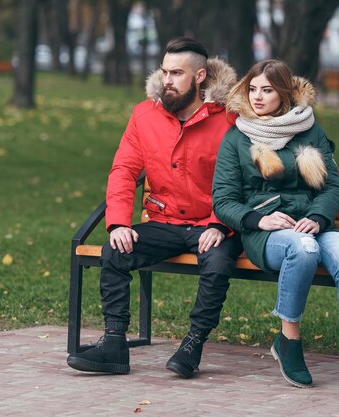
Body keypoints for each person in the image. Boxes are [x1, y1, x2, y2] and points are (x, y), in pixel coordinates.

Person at [212, 59, 339, 401]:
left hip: (312, 224)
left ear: (283, 93)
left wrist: (318, 217)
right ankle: (289, 340)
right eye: (252, 89)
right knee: (304, 248)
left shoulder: (310, 130)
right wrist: (258, 220)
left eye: (267, 90)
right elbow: (223, 200)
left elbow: (332, 188)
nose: (257, 97)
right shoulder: (236, 137)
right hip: (267, 234)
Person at [67, 37, 242, 379]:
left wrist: (220, 224)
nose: (167, 80)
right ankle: (114, 344)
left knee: (218, 264)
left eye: (177, 73)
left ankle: (193, 343)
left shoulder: (230, 119)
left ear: (201, 76)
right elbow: (123, 171)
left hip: (215, 224)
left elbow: (245, 182)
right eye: (164, 71)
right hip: (164, 221)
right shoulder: (144, 115)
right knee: (115, 252)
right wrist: (118, 223)